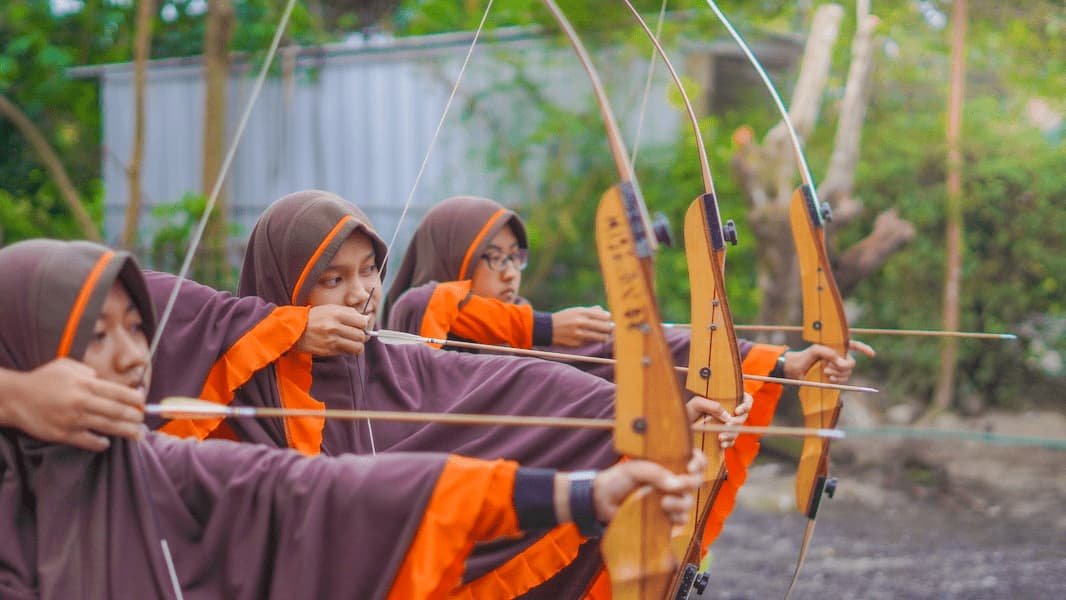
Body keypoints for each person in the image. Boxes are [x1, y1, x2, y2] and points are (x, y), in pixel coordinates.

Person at [0, 238, 702, 599]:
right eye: (97, 335)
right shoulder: (234, 386)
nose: (133, 359)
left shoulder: (156, 467)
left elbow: (327, 493)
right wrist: (15, 395)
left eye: (137, 330)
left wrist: (589, 482)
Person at [145, 189, 742, 597]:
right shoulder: (242, 367)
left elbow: (521, 386)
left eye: (368, 270)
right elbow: (118, 291)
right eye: (332, 278)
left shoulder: (394, 364)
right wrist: (287, 326)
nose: (360, 294)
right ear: (288, 280)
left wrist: (654, 418)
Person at [384, 195, 874, 385]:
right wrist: (547, 326)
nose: (511, 272)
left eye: (517, 256)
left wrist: (783, 361)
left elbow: (639, 344)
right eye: (494, 257)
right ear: (454, 255)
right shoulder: (414, 315)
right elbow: (433, 303)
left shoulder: (522, 332)